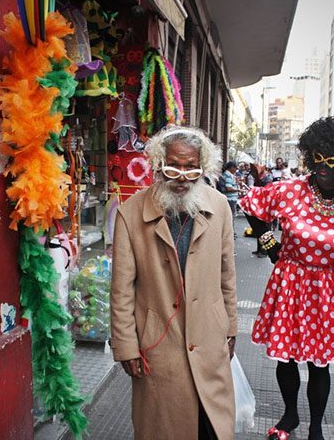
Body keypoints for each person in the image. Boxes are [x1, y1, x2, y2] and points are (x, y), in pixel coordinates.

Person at [239, 113, 334, 440]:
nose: (322, 167)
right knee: (287, 356)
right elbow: (252, 205)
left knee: (320, 363)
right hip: (290, 283)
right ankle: (290, 415)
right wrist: (269, 242)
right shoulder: (288, 190)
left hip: (332, 290)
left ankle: (317, 427)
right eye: (318, 159)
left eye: (332, 162)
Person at [110, 125, 238, 440]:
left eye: (191, 168)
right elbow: (122, 290)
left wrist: (231, 327)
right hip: (158, 346)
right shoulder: (131, 212)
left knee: (211, 427)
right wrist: (126, 345)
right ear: (158, 164)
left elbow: (227, 273)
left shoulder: (219, 206)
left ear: (202, 166)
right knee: (163, 427)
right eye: (174, 167)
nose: (182, 176)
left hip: (209, 338)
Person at [222, 160, 239, 236]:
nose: (236, 170)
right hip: (230, 199)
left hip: (231, 198)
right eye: (235, 167)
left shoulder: (229, 175)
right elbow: (228, 188)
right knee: (230, 216)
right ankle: (230, 233)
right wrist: (238, 189)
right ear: (231, 167)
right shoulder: (228, 175)